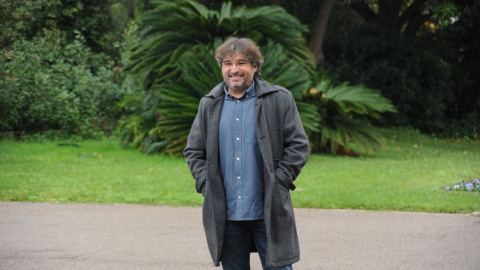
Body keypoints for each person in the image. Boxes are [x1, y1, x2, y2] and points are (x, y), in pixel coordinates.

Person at [183, 37, 310, 270]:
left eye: (241, 62)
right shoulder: (209, 104)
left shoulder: (279, 99)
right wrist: (206, 183)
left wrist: (280, 181)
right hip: (227, 213)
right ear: (221, 67)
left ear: (255, 66)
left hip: (268, 209)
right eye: (227, 63)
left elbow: (299, 145)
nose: (234, 69)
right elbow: (193, 150)